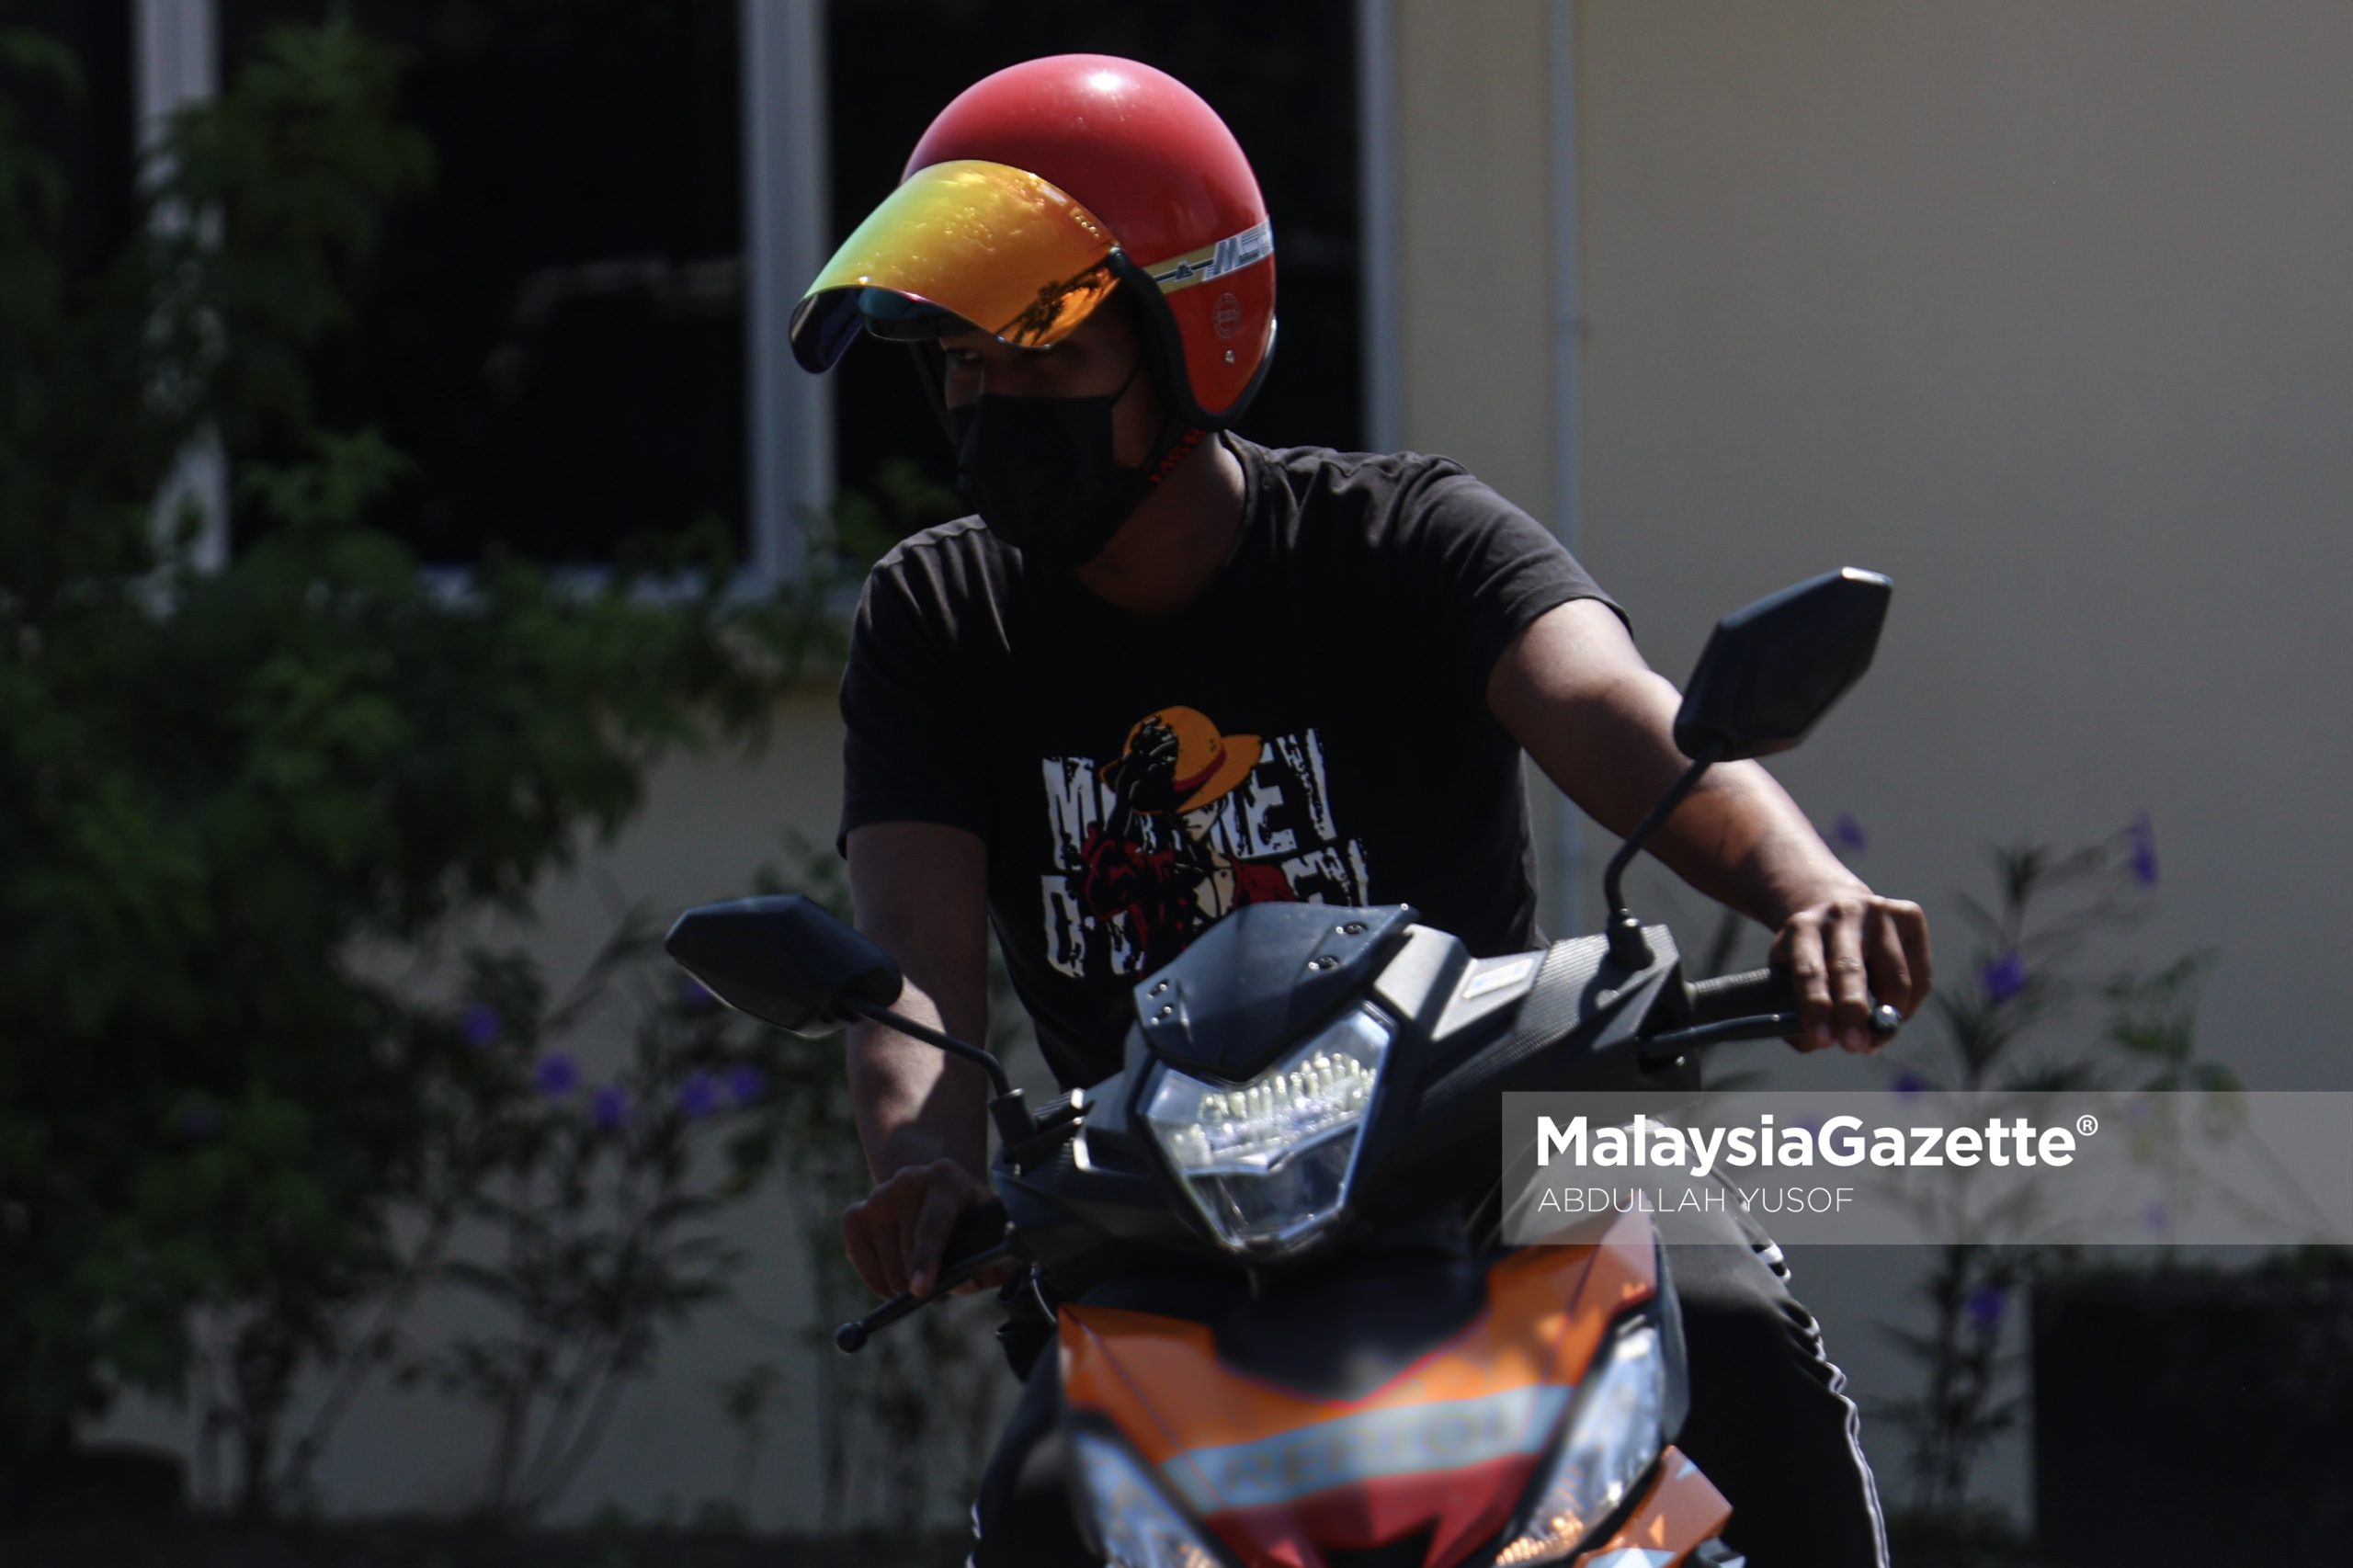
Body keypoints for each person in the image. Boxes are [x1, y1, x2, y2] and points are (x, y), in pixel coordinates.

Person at [790, 53, 1933, 1568]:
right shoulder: (940, 619)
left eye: (1038, 351)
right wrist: (920, 1165)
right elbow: (912, 957)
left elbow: (1610, 706)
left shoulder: (1401, 539)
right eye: (961, 361)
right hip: (1167, 1216)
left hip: (1510, 1162)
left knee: (1729, 1346)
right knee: (1042, 1503)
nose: (985, 401)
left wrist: (1809, 894)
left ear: (1188, 328)